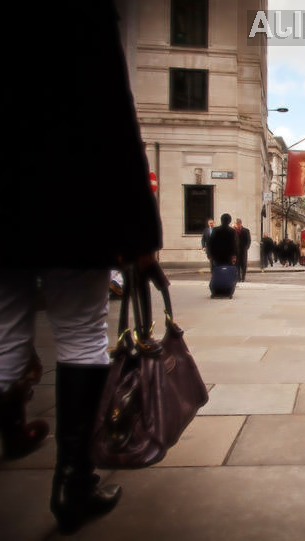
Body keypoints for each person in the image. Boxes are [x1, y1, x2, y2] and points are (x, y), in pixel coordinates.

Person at [1, 3, 162, 535]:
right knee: (80, 335)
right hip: (71, 202)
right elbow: (115, 118)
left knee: (4, 337)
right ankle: (74, 482)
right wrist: (142, 230)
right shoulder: (80, 17)